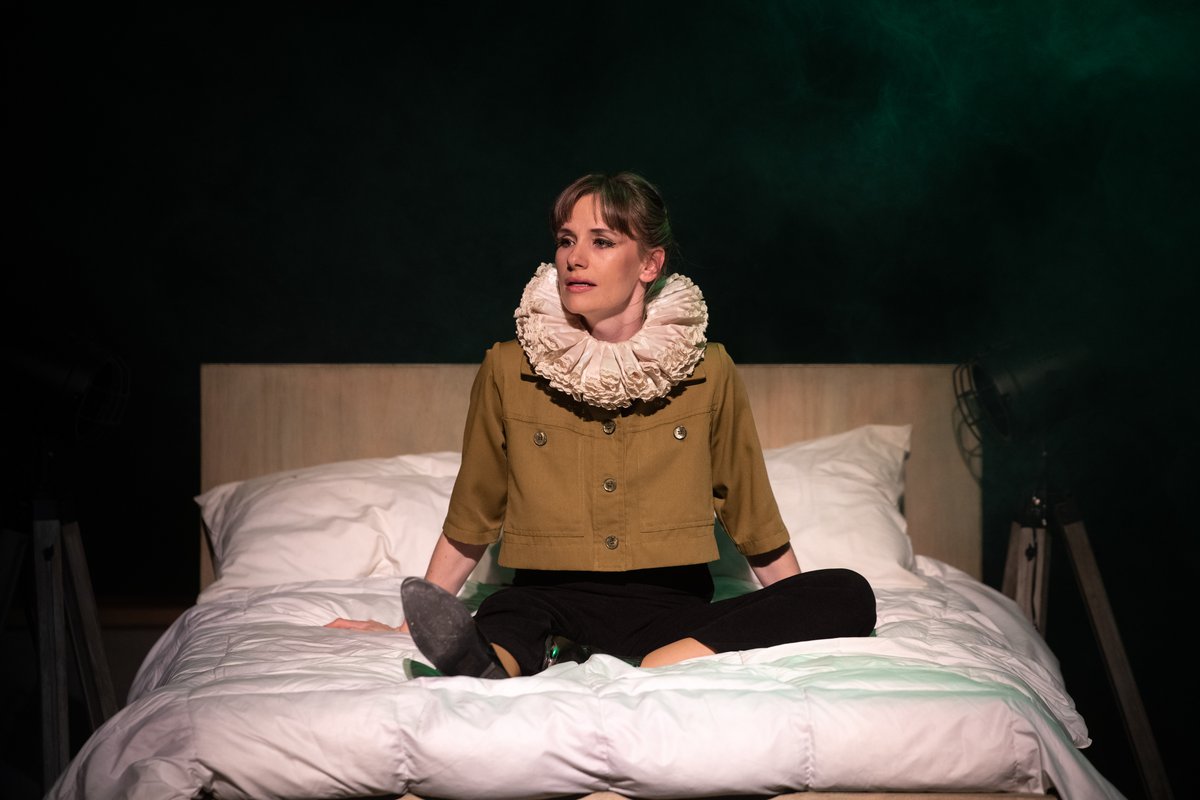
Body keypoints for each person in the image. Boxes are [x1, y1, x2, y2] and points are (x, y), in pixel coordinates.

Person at [328, 171, 876, 677]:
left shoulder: (709, 370)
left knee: (847, 591)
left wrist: (790, 606)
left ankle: (663, 661)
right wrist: (411, 623)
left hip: (672, 611)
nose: (575, 258)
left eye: (602, 241)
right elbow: (475, 509)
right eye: (566, 240)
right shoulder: (507, 367)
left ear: (649, 264)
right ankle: (492, 665)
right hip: (546, 600)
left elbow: (751, 513)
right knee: (506, 618)